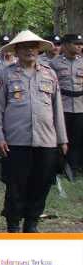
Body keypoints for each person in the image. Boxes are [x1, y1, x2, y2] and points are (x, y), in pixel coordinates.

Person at [0, 31, 67, 233]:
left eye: (33, 46)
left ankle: (31, 223)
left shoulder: (50, 74)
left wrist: (62, 138)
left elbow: (57, 108)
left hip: (46, 140)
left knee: (41, 184)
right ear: (16, 50)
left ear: (39, 50)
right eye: (24, 47)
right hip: (15, 141)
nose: (29, 50)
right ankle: (13, 224)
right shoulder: (5, 75)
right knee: (15, 185)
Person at [50, 33, 82, 175]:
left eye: (80, 44)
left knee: (77, 137)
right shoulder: (55, 63)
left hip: (80, 106)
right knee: (61, 138)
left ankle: (74, 167)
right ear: (66, 45)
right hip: (62, 105)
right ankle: (58, 166)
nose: (79, 47)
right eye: (76, 44)